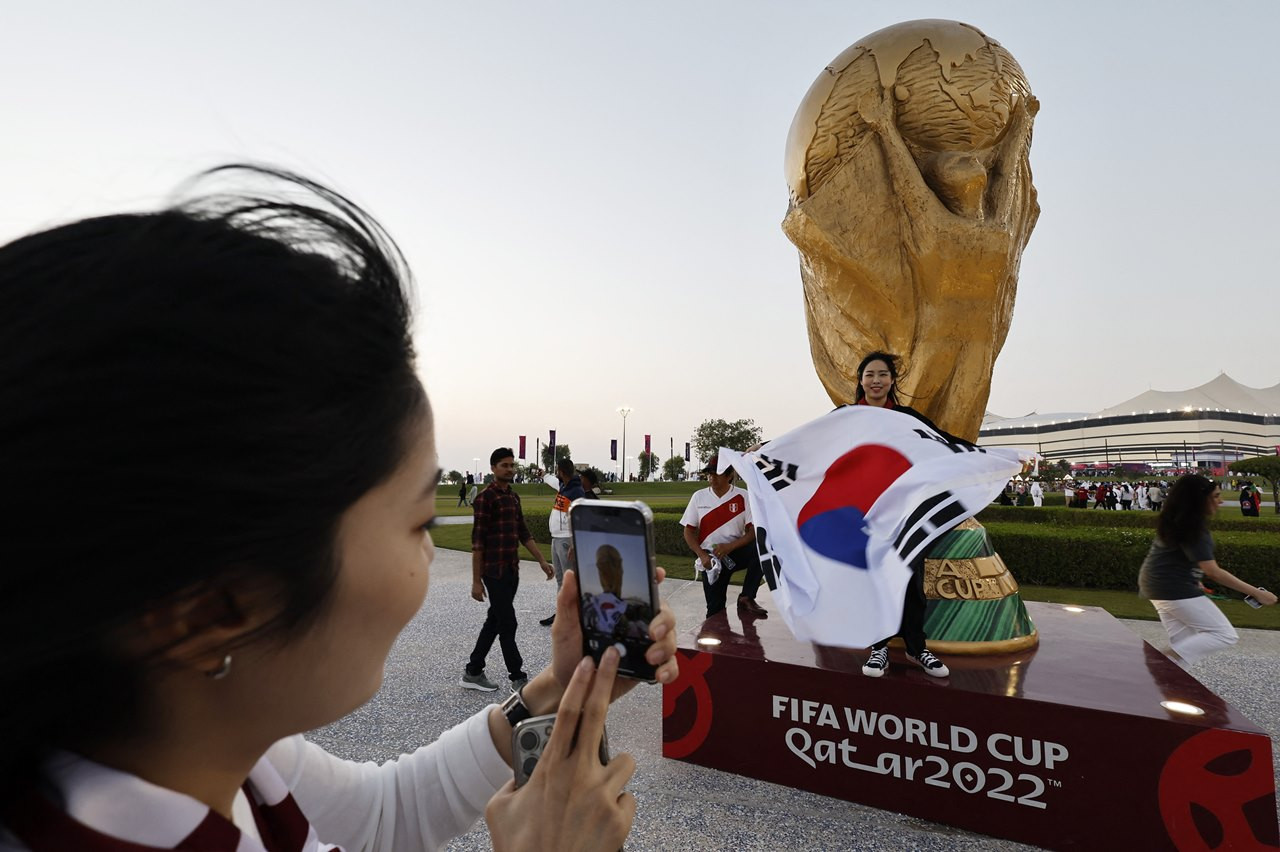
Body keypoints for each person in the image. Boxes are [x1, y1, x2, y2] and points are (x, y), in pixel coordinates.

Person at [0, 166, 680, 851]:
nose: (426, 552)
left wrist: (558, 688)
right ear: (218, 611)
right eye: (417, 523)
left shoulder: (221, 754)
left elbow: (382, 816)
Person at [844, 352, 954, 679]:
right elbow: (807, 441)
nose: (876, 380)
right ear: (861, 380)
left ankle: (916, 647)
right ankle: (878, 647)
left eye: (882, 374)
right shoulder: (846, 417)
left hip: (905, 512)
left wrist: (999, 457)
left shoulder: (907, 418)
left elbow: (945, 443)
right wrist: (764, 448)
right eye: (869, 374)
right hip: (864, 513)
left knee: (910, 579)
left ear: (892, 380)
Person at [1139, 474, 1276, 668]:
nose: (1221, 501)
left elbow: (1174, 557)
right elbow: (1214, 572)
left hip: (1157, 586)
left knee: (1183, 646)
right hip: (1173, 588)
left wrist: (1194, 577)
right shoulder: (1194, 528)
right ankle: (1158, 662)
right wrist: (1257, 593)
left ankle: (1167, 678)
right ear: (1198, 499)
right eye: (1216, 496)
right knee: (1224, 634)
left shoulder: (1179, 522)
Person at [464, 448, 554, 692]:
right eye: (504, 465)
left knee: (495, 620)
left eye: (512, 465)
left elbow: (524, 533)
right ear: (493, 468)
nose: (509, 469)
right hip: (493, 572)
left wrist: (542, 561)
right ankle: (518, 677)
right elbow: (477, 543)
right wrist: (476, 581)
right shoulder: (485, 499)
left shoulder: (513, 498)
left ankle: (473, 671)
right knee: (508, 623)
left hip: (511, 570)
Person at [680, 456, 769, 619]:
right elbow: (688, 531)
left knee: (764, 545)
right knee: (715, 611)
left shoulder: (743, 496)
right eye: (709, 474)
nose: (712, 478)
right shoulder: (698, 497)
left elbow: (753, 531)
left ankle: (747, 597)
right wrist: (702, 555)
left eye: (717, 473)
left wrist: (730, 547)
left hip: (735, 552)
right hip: (712, 559)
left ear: (729, 475)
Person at [539, 457, 586, 626]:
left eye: (557, 470)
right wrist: (544, 475)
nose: (556, 473)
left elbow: (580, 518)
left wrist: (574, 543)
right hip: (557, 538)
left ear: (561, 471)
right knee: (560, 579)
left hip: (566, 539)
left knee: (568, 580)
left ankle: (573, 615)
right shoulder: (565, 486)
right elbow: (554, 482)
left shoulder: (576, 491)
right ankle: (561, 613)